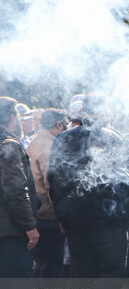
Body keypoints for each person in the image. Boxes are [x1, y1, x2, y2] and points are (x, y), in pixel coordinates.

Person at [48, 93, 129, 289]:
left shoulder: (63, 138)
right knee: (112, 270)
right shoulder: (111, 138)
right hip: (105, 219)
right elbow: (125, 179)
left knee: (84, 270)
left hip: (75, 218)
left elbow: (54, 179)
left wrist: (62, 213)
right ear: (102, 112)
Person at [0, 97, 40, 289]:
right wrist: (30, 227)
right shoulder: (9, 146)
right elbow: (16, 191)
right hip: (8, 232)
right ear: (11, 118)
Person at [26, 108, 68, 278]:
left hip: (37, 213)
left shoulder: (33, 142)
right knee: (51, 265)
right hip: (49, 217)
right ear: (59, 125)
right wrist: (62, 216)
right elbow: (52, 185)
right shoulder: (50, 147)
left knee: (42, 264)